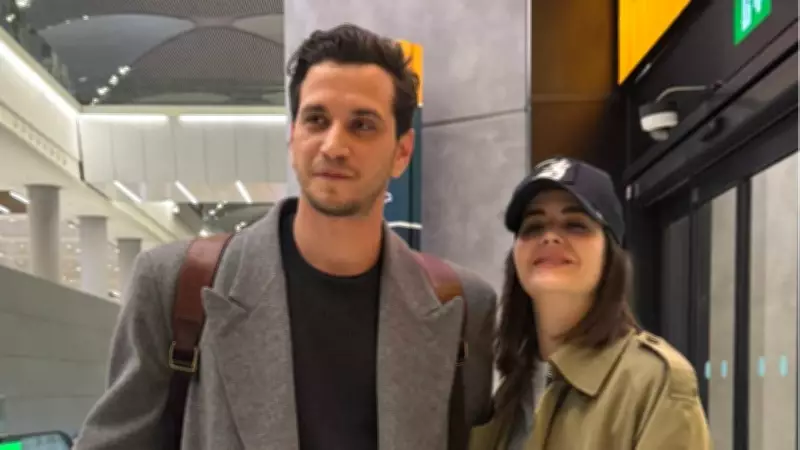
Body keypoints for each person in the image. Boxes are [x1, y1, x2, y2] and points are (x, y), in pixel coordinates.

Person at [74, 24, 496, 450]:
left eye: (362, 125)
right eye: (317, 120)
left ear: (401, 152)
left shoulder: (462, 306)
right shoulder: (176, 284)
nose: (333, 146)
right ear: (293, 137)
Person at [468, 157, 711, 449]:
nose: (550, 237)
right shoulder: (510, 392)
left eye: (575, 225)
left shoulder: (656, 383)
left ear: (610, 253)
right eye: (533, 226)